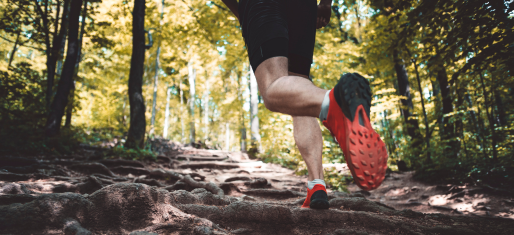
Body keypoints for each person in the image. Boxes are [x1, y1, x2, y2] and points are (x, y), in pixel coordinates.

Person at [221, 0, 388, 209]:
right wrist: (326, 4)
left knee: (273, 89)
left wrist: (242, 13)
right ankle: (316, 185)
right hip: (303, 7)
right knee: (300, 95)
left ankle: (333, 103)